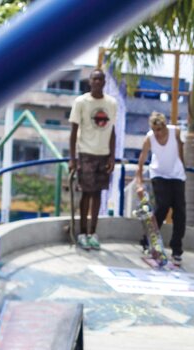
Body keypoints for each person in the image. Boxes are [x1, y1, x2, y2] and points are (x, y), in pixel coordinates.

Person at [68, 69, 118, 250]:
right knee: (86, 193)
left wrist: (112, 156)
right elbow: (73, 132)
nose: (97, 82)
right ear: (89, 81)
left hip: (103, 154)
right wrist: (73, 158)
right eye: (94, 79)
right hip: (86, 153)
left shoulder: (111, 103)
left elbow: (112, 131)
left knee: (98, 194)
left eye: (100, 79)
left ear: (104, 82)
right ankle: (82, 233)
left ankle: (92, 233)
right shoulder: (81, 102)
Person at [135, 111, 187, 265]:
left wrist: (182, 166)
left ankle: (176, 249)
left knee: (180, 212)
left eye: (159, 129)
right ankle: (148, 240)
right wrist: (139, 182)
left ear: (165, 126)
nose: (157, 133)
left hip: (176, 175)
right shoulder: (149, 138)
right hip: (158, 174)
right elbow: (141, 160)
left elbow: (180, 147)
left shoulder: (175, 132)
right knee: (162, 206)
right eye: (154, 130)